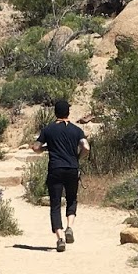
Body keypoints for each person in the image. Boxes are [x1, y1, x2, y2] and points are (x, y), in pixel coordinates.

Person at [34, 98, 89, 252]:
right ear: (68, 112)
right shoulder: (76, 130)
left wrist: (45, 149)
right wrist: (77, 158)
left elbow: (35, 147)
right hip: (72, 168)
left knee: (55, 204)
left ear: (55, 113)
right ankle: (69, 227)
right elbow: (86, 147)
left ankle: (59, 238)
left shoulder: (48, 130)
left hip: (55, 169)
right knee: (72, 199)